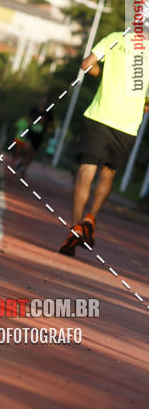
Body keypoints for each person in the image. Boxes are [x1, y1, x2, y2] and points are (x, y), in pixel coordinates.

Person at [59, 26, 149, 256]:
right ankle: (91, 218)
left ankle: (75, 227)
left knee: (85, 173)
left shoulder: (116, 38)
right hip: (127, 125)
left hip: (99, 116)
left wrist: (103, 74)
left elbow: (86, 64)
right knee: (108, 174)